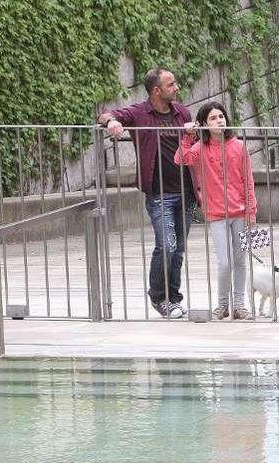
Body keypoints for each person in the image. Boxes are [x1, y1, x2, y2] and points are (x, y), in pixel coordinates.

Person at [97, 68, 194, 319]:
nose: (177, 88)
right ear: (156, 90)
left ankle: (174, 298)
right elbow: (105, 114)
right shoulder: (140, 113)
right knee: (166, 246)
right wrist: (112, 122)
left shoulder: (181, 112)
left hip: (185, 191)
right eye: (171, 84)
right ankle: (158, 297)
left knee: (178, 248)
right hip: (159, 194)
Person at [176, 102, 257, 320]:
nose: (219, 120)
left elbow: (248, 179)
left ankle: (240, 304)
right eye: (212, 118)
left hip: (240, 212)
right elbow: (181, 159)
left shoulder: (239, 146)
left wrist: (251, 210)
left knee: (241, 259)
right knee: (224, 262)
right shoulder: (200, 148)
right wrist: (187, 136)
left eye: (221, 116)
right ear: (204, 124)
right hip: (216, 214)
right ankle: (222, 304)